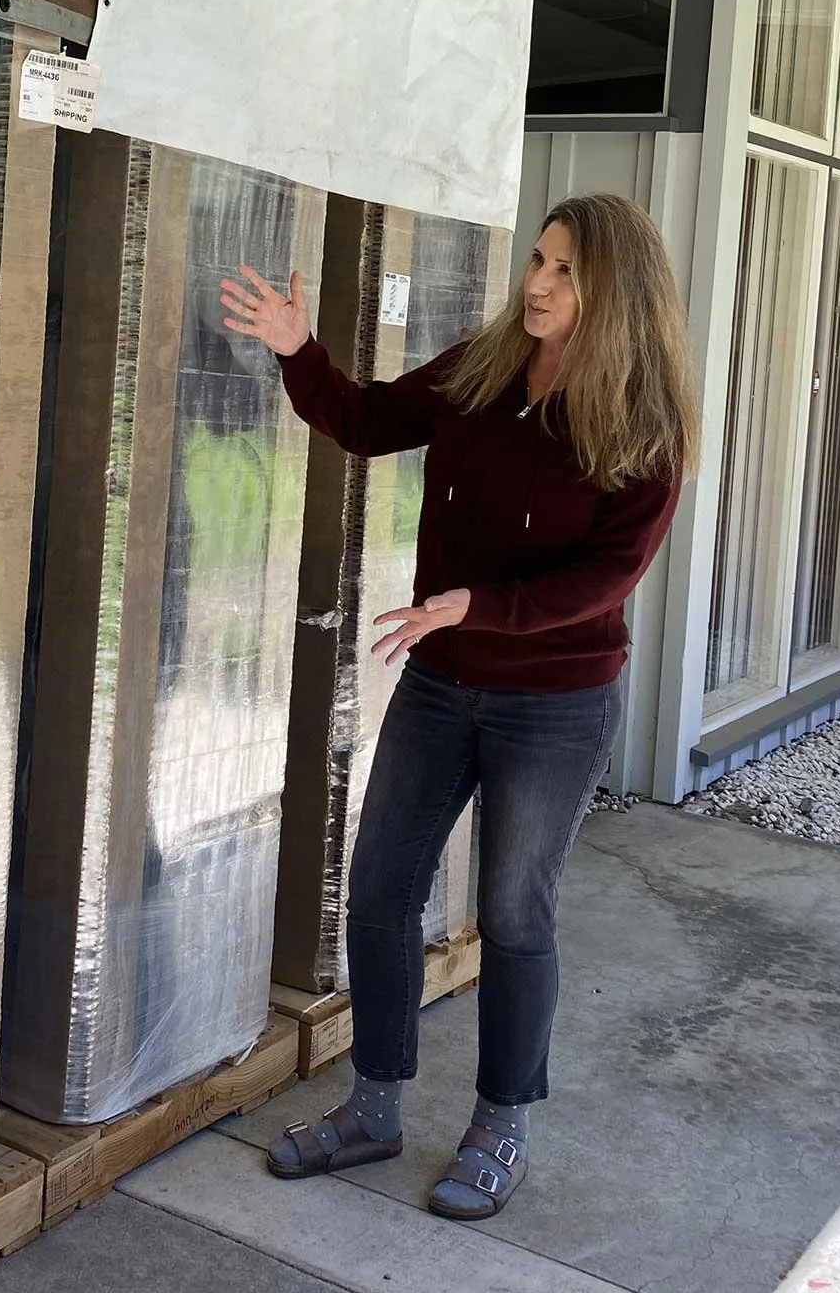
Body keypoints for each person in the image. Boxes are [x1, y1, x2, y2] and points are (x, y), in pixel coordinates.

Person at [218, 192, 697, 1222]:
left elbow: (607, 578)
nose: (538, 283)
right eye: (539, 260)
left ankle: (500, 1125)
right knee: (383, 890)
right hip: (442, 682)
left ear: (615, 289)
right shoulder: (481, 370)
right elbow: (366, 418)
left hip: (557, 702)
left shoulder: (643, 422)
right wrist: (302, 353)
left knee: (519, 914)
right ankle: (375, 1106)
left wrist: (483, 605)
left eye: (566, 271)